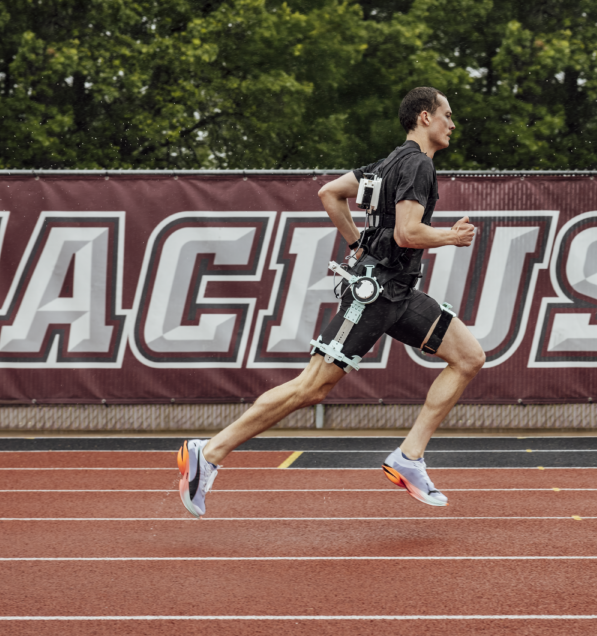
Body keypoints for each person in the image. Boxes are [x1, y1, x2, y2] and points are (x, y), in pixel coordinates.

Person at [178, 87, 485, 517]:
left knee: (468, 356)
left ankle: (409, 457)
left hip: (398, 291)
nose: (452, 124)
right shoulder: (416, 163)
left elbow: (329, 193)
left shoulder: (388, 162)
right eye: (447, 115)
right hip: (376, 294)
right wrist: (451, 236)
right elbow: (407, 234)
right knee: (311, 387)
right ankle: (207, 452)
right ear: (423, 117)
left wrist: (359, 245)